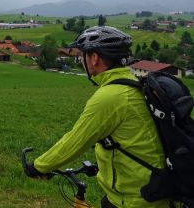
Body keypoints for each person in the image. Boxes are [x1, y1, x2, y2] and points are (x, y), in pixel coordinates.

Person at [23, 26, 170, 208]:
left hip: (136, 199)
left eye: (82, 55)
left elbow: (75, 140)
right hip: (148, 191)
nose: (81, 60)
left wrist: (38, 166)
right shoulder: (133, 83)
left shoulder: (111, 96)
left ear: (94, 58)